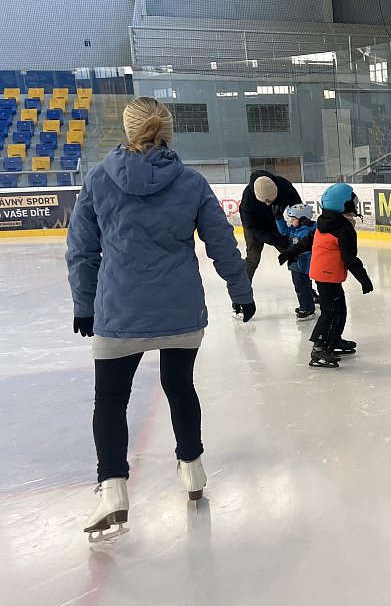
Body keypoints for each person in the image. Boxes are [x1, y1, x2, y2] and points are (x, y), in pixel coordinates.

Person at [65, 96, 254, 542]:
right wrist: (241, 291)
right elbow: (222, 242)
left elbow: (82, 251)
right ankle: (193, 470)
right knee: (180, 387)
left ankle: (113, 490)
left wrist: (84, 304)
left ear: (128, 129)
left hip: (120, 311)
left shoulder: (98, 179)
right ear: (169, 132)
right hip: (180, 311)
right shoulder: (190, 182)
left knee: (111, 400)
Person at [280, 183, 373, 368]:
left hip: (324, 274)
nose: (355, 204)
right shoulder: (343, 229)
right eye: (352, 201)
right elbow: (350, 259)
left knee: (340, 310)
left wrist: (290, 252)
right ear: (344, 204)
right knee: (330, 313)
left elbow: (308, 240)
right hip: (328, 276)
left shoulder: (325, 221)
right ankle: (319, 349)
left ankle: (333, 340)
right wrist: (364, 279)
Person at [238, 169, 302, 284]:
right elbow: (251, 227)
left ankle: (304, 288)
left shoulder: (284, 186)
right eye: (264, 202)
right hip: (255, 227)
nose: (268, 204)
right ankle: (241, 289)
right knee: (253, 259)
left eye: (271, 200)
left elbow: (297, 205)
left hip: (276, 221)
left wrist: (301, 222)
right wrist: (272, 239)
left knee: (294, 254)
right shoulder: (247, 200)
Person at [276, 203, 317, 320]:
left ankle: (307, 309)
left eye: (293, 219)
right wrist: (279, 218)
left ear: (303, 219)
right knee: (303, 285)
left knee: (301, 286)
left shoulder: (308, 232)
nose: (291, 222)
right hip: (296, 263)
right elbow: (284, 231)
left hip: (302, 264)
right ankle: (308, 305)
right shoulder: (295, 229)